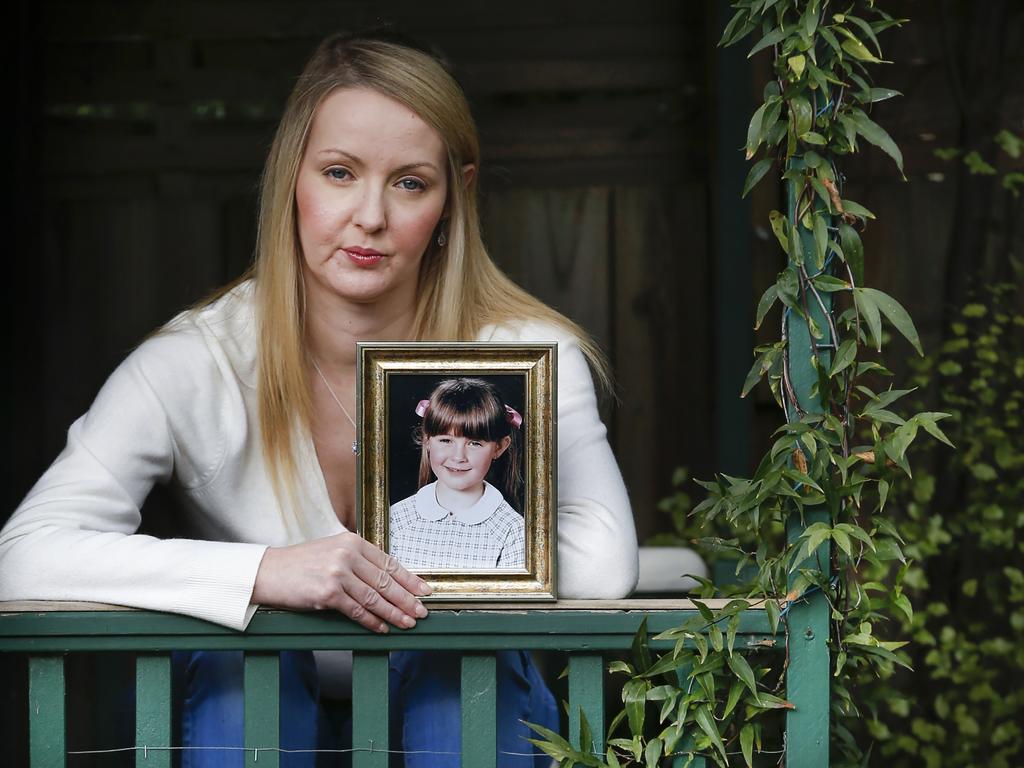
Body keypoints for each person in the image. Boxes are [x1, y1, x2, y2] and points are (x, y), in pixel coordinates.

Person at [0, 29, 638, 766]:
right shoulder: (193, 363)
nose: (370, 215)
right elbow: (22, 558)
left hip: (448, 699)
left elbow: (601, 568)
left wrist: (442, 561)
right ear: (291, 180)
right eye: (339, 173)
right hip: (254, 705)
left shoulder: (526, 351)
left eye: (409, 182)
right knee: (246, 676)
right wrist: (264, 573)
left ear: (453, 196)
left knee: (457, 675)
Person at [390, 378, 526, 570]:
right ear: (427, 440)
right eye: (446, 441)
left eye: (475, 443)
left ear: (499, 447)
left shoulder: (512, 530)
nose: (458, 456)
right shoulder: (396, 519)